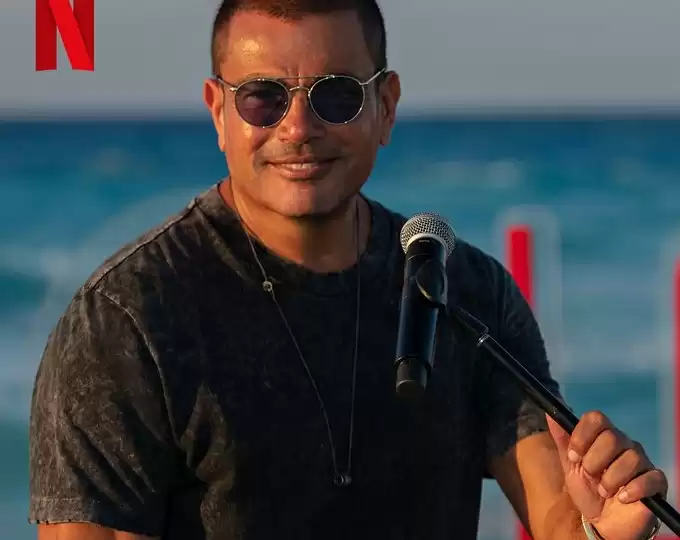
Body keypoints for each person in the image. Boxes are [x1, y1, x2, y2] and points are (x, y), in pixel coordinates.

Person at [28, 0, 668, 539]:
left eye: (335, 96)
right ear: (218, 112)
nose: (298, 128)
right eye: (262, 98)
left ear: (386, 106)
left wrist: (602, 528)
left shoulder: (464, 291)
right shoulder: (125, 320)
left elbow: (561, 517)